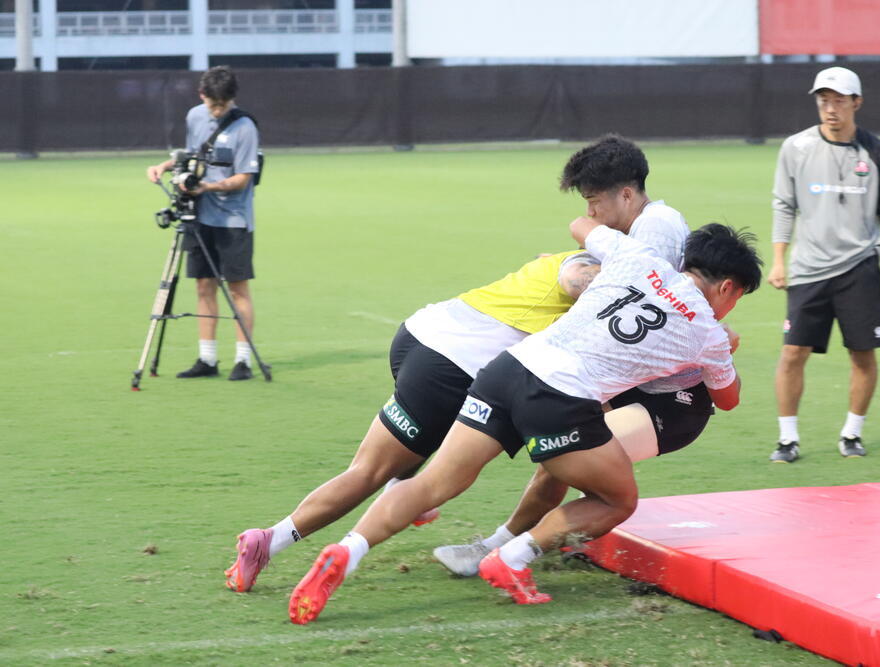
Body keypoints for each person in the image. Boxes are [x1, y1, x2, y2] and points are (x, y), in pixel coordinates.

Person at [222, 134, 710, 593]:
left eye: (593, 203)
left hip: (423, 335)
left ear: (625, 195)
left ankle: (279, 536)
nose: (590, 214)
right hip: (455, 366)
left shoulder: (624, 242)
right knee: (418, 476)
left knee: (387, 466)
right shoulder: (613, 258)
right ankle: (354, 532)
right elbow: (585, 281)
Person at [288, 221, 761, 624]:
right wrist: (721, 353)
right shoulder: (708, 331)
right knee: (617, 499)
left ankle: (348, 549)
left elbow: (581, 226)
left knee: (434, 482)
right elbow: (728, 399)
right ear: (727, 288)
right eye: (737, 298)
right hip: (560, 397)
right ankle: (513, 557)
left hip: (507, 370)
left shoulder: (636, 255)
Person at [768, 66, 880, 463]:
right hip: (808, 268)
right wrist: (778, 260)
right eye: (823, 101)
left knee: (863, 354)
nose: (830, 109)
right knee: (793, 353)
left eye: (839, 101)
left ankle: (852, 433)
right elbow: (784, 205)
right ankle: (787, 440)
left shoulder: (879, 152)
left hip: (860, 267)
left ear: (856, 103)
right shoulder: (795, 148)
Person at [146, 65, 261, 381]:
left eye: (224, 104)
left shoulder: (245, 127)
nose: (218, 110)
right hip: (199, 216)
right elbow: (191, 157)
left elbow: (244, 177)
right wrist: (163, 166)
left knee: (237, 289)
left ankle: (243, 360)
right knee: (203, 285)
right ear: (202, 96)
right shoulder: (195, 117)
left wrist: (208, 187)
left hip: (234, 219)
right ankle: (207, 358)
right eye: (213, 104)